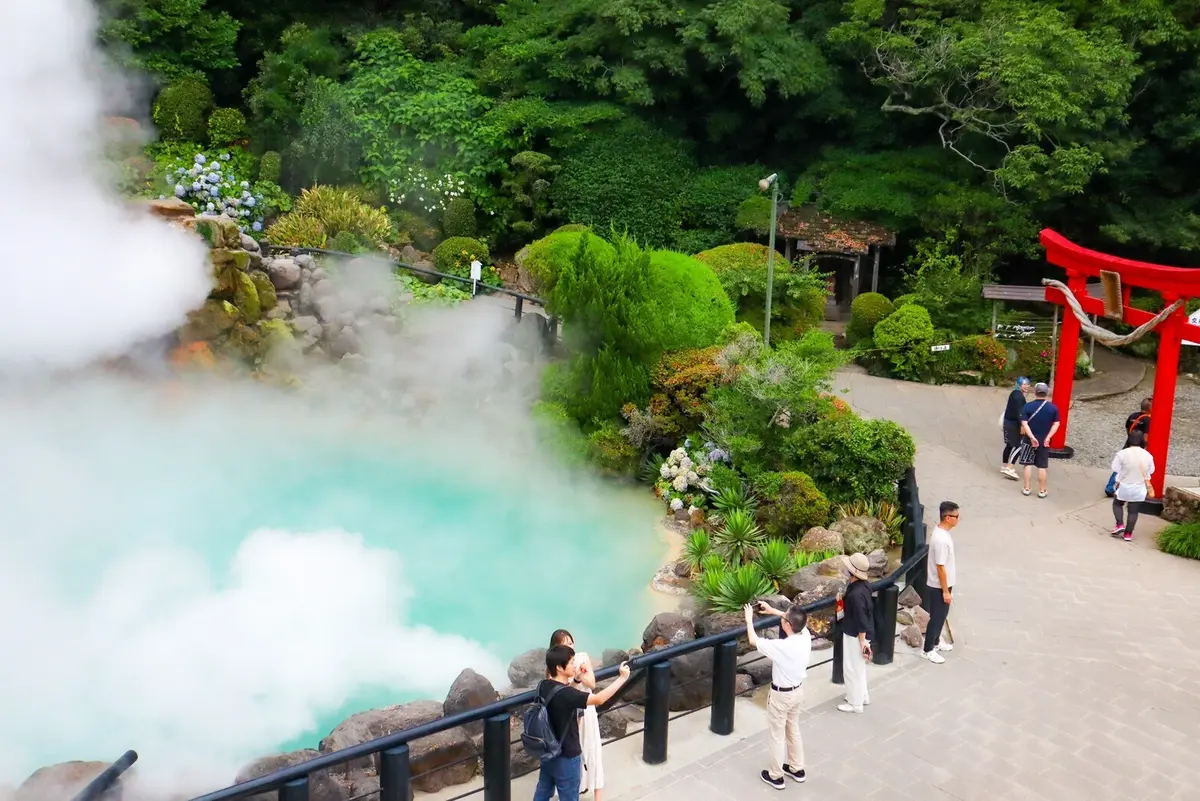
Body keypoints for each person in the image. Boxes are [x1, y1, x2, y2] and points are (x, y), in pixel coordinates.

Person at [533, 646, 631, 801]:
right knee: (570, 796)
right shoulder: (568, 694)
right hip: (567, 756)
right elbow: (599, 699)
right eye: (571, 662)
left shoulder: (543, 686)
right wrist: (622, 678)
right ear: (559, 667)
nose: (575, 665)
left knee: (543, 791)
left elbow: (561, 694)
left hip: (548, 752)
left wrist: (577, 678)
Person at [745, 600, 811, 790]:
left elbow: (753, 640)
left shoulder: (784, 647)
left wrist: (749, 620)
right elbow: (791, 619)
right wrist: (773, 610)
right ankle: (797, 768)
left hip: (781, 696)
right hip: (797, 692)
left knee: (776, 735)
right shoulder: (805, 635)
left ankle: (775, 775)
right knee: (793, 729)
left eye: (785, 617)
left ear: (787, 625)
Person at [548, 630, 605, 800]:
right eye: (565, 644)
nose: (570, 647)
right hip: (568, 716)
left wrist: (581, 675)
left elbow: (593, 684)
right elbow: (562, 692)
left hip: (586, 710)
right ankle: (573, 790)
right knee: (571, 754)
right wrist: (576, 679)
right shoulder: (555, 666)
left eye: (571, 643)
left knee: (592, 748)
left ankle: (598, 795)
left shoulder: (581, 657)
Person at [921, 501, 959, 665]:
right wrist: (945, 591)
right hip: (939, 585)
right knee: (937, 617)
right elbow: (940, 567)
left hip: (940, 584)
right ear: (948, 517)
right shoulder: (942, 540)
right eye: (957, 516)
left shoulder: (940, 532)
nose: (959, 519)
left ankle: (936, 641)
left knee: (941, 615)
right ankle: (928, 649)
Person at [836, 553, 874, 713]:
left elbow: (860, 618)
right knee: (859, 668)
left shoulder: (856, 594)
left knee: (852, 668)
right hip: (860, 632)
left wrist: (862, 640)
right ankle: (862, 695)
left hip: (855, 634)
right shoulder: (864, 587)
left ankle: (855, 703)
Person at [1110, 430, 1156, 543]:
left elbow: (1115, 468)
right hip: (1139, 487)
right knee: (1133, 511)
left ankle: (1119, 524)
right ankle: (1128, 533)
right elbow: (1152, 470)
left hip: (1124, 485)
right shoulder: (1148, 455)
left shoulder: (1122, 453)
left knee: (1117, 503)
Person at [1019, 382, 1061, 498]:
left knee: (1027, 464)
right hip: (1044, 441)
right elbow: (1056, 424)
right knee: (1042, 466)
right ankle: (1042, 490)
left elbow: (1024, 423)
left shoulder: (1027, 406)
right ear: (1047, 393)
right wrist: (1048, 437)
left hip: (1029, 440)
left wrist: (1032, 437)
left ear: (1035, 392)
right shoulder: (1053, 408)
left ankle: (1027, 488)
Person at [1000, 377, 1031, 480]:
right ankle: (1010, 467)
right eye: (1024, 384)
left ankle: (1004, 466)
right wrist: (1023, 425)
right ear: (1019, 385)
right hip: (1014, 424)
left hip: (1008, 421)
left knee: (1009, 444)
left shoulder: (1014, 393)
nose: (1026, 386)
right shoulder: (1019, 397)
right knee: (1019, 445)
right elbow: (1020, 413)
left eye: (1028, 384)